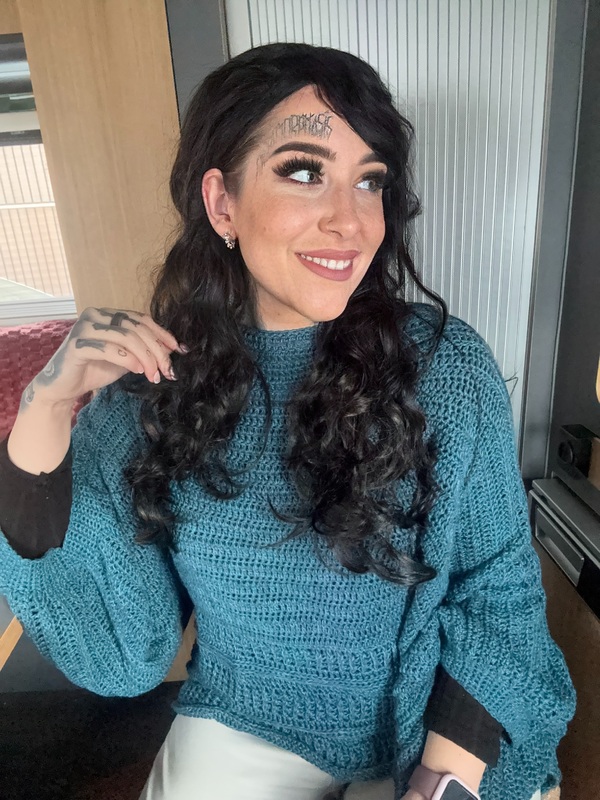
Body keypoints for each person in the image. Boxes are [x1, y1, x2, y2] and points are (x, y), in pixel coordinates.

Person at [0, 43, 574, 800]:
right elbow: (120, 653)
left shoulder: (444, 368)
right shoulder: (155, 390)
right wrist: (45, 405)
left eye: (370, 180)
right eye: (304, 171)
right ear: (222, 203)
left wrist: (444, 783)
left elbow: (497, 591)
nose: (350, 221)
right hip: (243, 723)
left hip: (435, 727)